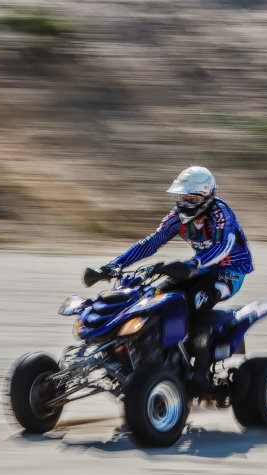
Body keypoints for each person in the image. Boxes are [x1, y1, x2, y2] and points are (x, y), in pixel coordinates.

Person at [96, 165, 254, 394]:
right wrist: (115, 264)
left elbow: (223, 246)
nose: (185, 202)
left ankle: (200, 371)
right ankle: (164, 355)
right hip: (199, 267)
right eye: (182, 196)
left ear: (206, 196)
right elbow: (151, 242)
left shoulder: (221, 213)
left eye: (191, 197)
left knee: (198, 301)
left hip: (230, 270)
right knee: (157, 297)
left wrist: (194, 264)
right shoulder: (177, 217)